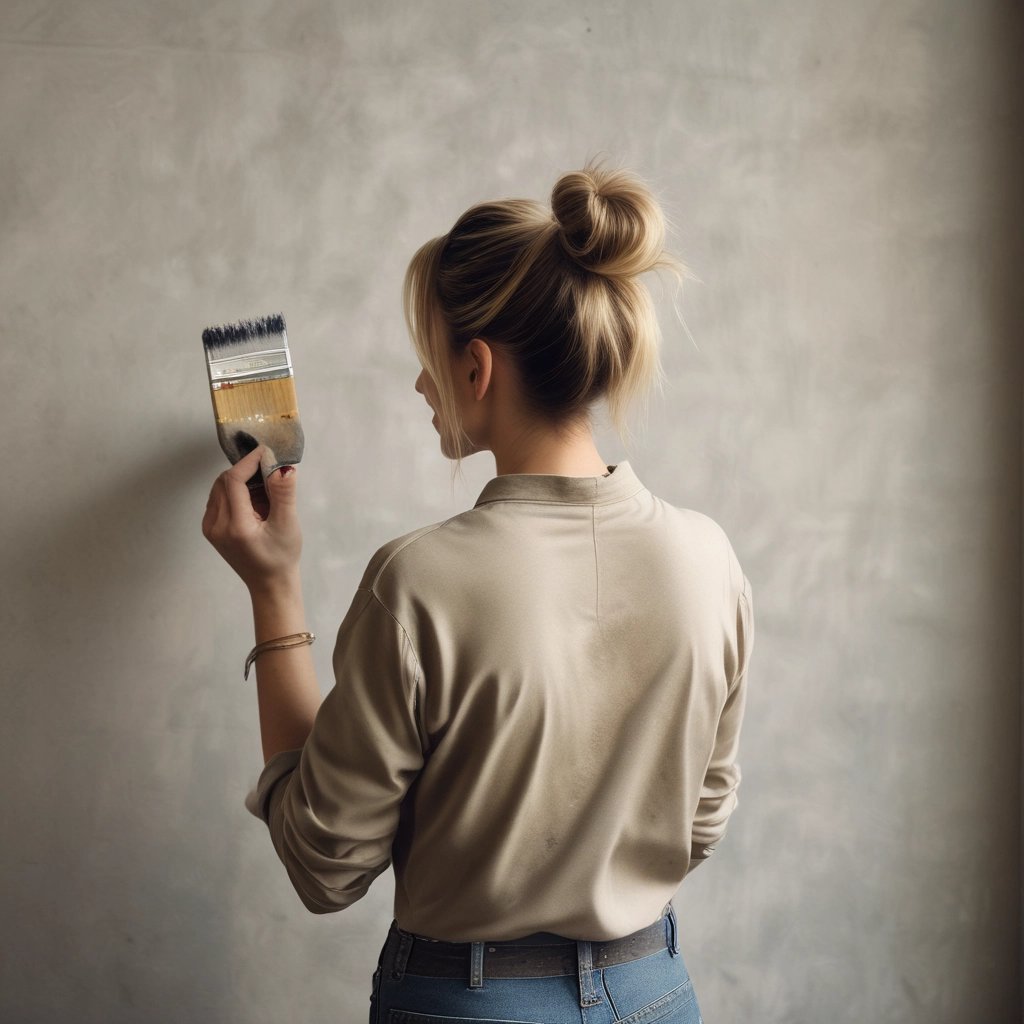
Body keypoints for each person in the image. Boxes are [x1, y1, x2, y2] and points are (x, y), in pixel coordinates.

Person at [202, 161, 754, 1024]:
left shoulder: (418, 582)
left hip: (470, 1005)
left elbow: (324, 865)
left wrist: (273, 588)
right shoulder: (710, 560)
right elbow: (701, 820)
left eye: (429, 359)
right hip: (656, 993)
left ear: (476, 368)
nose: (422, 385)